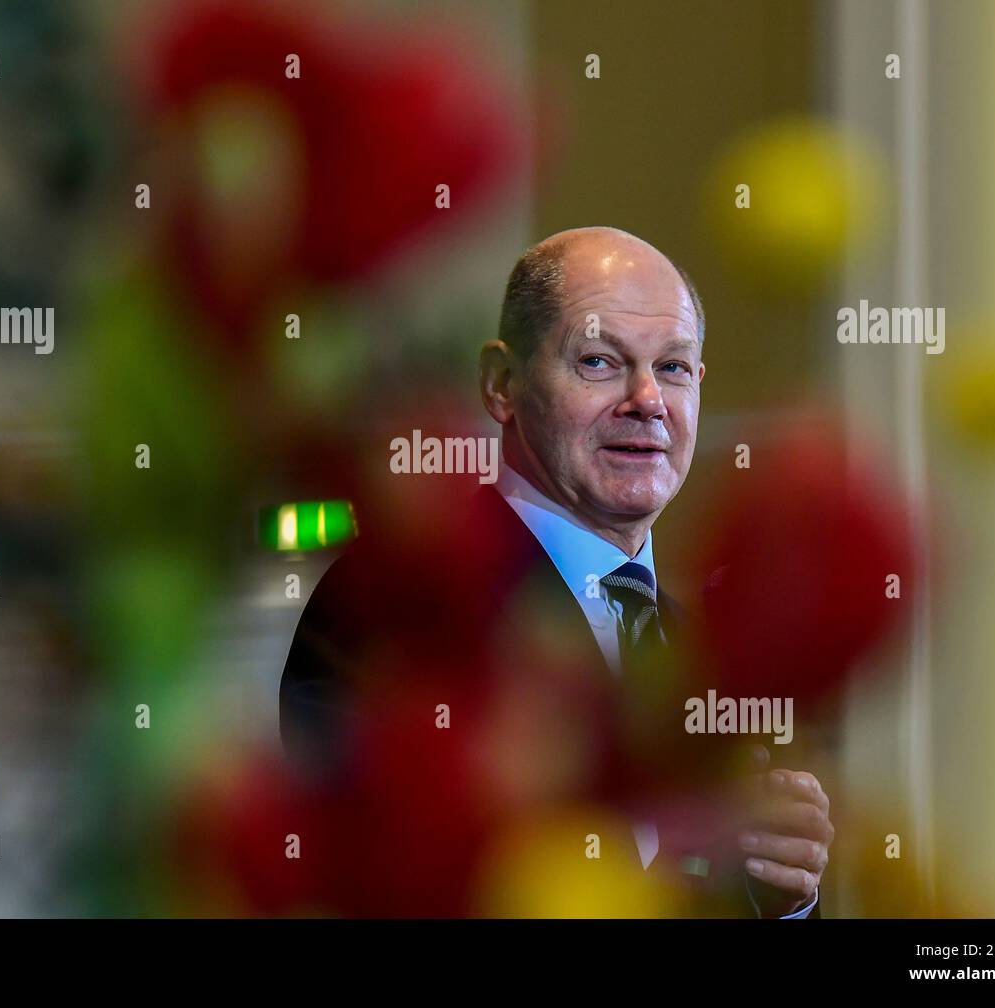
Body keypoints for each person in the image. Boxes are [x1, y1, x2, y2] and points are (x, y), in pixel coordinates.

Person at [280, 226, 831, 918]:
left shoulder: (705, 657)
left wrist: (774, 899)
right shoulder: (402, 601)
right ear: (502, 384)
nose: (648, 400)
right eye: (600, 361)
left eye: (674, 367)